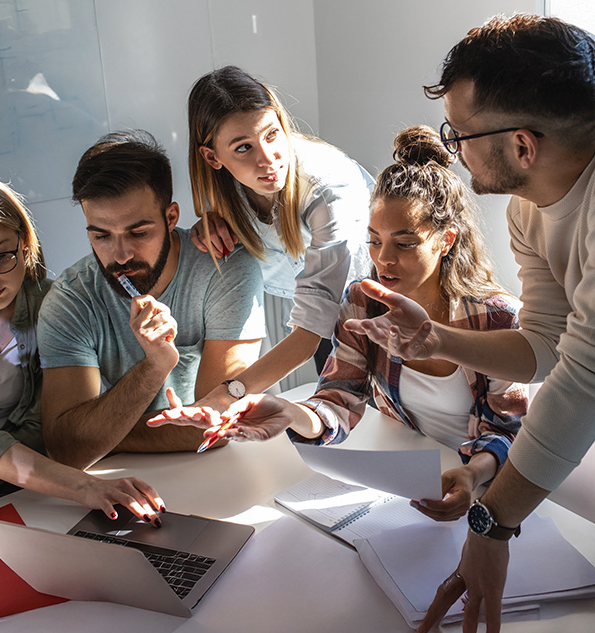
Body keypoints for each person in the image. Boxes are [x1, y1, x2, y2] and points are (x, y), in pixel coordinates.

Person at [344, 14, 595, 633]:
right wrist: (438, 341)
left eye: (458, 134)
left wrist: (491, 525)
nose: (450, 148)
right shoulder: (527, 209)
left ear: (522, 146)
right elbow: (543, 345)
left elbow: (580, 384)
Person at [164, 126, 528, 522]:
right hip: (411, 480)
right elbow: (338, 401)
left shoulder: (498, 319)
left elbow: (508, 433)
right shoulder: (362, 304)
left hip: (488, 490)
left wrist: (471, 476)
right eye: (374, 240)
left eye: (405, 243)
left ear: (446, 240)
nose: (384, 259)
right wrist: (287, 412)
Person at [0, 170, 164, 521]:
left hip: (0, 485)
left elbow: (46, 426)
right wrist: (83, 486)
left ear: (24, 241)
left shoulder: (56, 304)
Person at [37, 130, 265, 471]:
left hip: (218, 470)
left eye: (138, 233)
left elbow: (216, 425)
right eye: (101, 236)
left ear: (171, 217)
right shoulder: (70, 300)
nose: (121, 255)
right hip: (117, 482)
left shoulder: (226, 268)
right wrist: (154, 366)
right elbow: (67, 450)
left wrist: (103, 434)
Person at [187, 65, 374, 395]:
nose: (268, 160)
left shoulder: (326, 189)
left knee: (383, 414)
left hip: (381, 304)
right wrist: (209, 224)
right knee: (340, 409)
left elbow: (307, 334)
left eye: (272, 134)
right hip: (326, 317)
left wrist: (227, 397)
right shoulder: (226, 190)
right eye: (244, 147)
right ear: (212, 157)